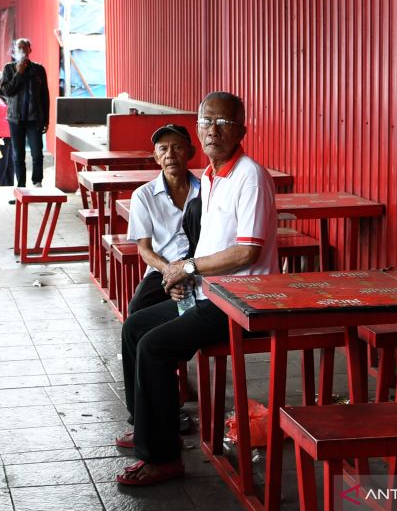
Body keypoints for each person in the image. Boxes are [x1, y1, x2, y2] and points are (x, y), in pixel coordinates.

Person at [115, 91, 278, 486]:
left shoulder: (249, 176)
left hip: (240, 301)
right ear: (198, 130)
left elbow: (246, 252)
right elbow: (207, 242)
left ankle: (163, 457)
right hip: (208, 293)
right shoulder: (208, 176)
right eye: (206, 122)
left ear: (240, 130)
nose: (213, 131)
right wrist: (186, 281)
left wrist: (187, 267)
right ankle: (151, 426)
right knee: (136, 326)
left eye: (223, 123)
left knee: (155, 346)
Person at [115, 124, 200, 447]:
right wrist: (170, 274)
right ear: (155, 156)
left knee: (186, 314)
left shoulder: (206, 188)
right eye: (163, 149)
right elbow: (145, 249)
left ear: (191, 152)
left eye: (177, 147)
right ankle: (141, 416)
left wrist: (189, 273)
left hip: (201, 267)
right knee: (137, 315)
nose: (170, 154)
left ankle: (173, 385)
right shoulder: (144, 196)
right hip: (162, 269)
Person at [0, 37, 50, 187]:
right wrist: (19, 73)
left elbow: (44, 95)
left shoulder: (38, 69)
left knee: (37, 153)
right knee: (18, 155)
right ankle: (21, 187)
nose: (21, 50)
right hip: (16, 119)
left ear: (29, 50)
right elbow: (7, 91)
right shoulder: (9, 68)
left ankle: (37, 182)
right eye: (18, 48)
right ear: (14, 50)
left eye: (24, 47)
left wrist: (46, 119)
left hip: (34, 118)